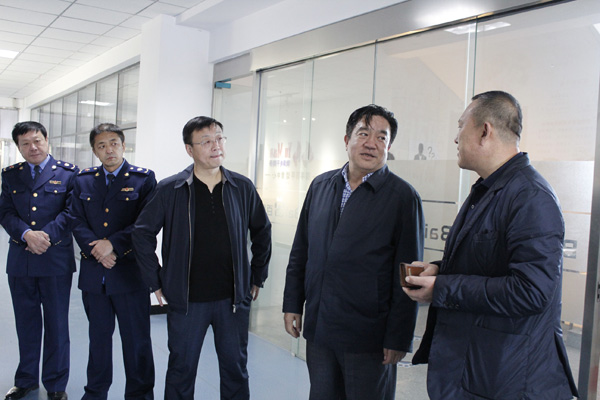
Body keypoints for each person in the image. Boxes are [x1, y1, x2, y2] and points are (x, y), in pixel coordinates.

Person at [403, 91, 579, 399]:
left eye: (461, 126)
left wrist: (443, 287)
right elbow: (488, 264)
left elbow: (530, 291)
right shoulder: (491, 190)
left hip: (507, 379)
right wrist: (439, 271)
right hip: (481, 370)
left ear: (485, 131)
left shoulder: (530, 197)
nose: (455, 137)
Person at [283, 104, 425, 400]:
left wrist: (399, 337)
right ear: (347, 140)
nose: (371, 143)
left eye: (382, 137)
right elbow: (301, 251)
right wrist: (293, 303)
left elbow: (408, 274)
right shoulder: (321, 186)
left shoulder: (402, 197)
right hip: (320, 329)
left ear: (388, 147)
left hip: (369, 337)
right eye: (363, 134)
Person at [132, 116, 272, 400]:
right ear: (189, 149)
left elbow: (262, 230)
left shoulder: (241, 187)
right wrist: (155, 280)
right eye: (206, 141)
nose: (215, 146)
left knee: (235, 369)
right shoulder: (170, 189)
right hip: (187, 300)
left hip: (233, 300)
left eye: (219, 138)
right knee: (181, 370)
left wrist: (258, 274)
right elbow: (142, 233)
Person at [70, 123, 156, 400]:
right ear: (95, 151)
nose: (109, 150)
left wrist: (114, 246)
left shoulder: (143, 179)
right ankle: (95, 393)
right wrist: (98, 250)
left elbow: (145, 223)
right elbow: (75, 219)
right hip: (95, 275)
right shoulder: (83, 180)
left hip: (129, 275)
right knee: (98, 342)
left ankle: (140, 395)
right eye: (102, 146)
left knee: (137, 342)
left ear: (123, 145)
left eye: (114, 143)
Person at [0, 121, 78, 400]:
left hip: (55, 259)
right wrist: (26, 234)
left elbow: (72, 213)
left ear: (46, 140)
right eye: (25, 143)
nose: (33, 147)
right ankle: (26, 380)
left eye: (37, 141)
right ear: (18, 147)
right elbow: (5, 212)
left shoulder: (68, 173)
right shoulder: (11, 175)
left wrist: (43, 237)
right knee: (26, 323)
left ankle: (55, 384)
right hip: (21, 261)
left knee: (57, 324)